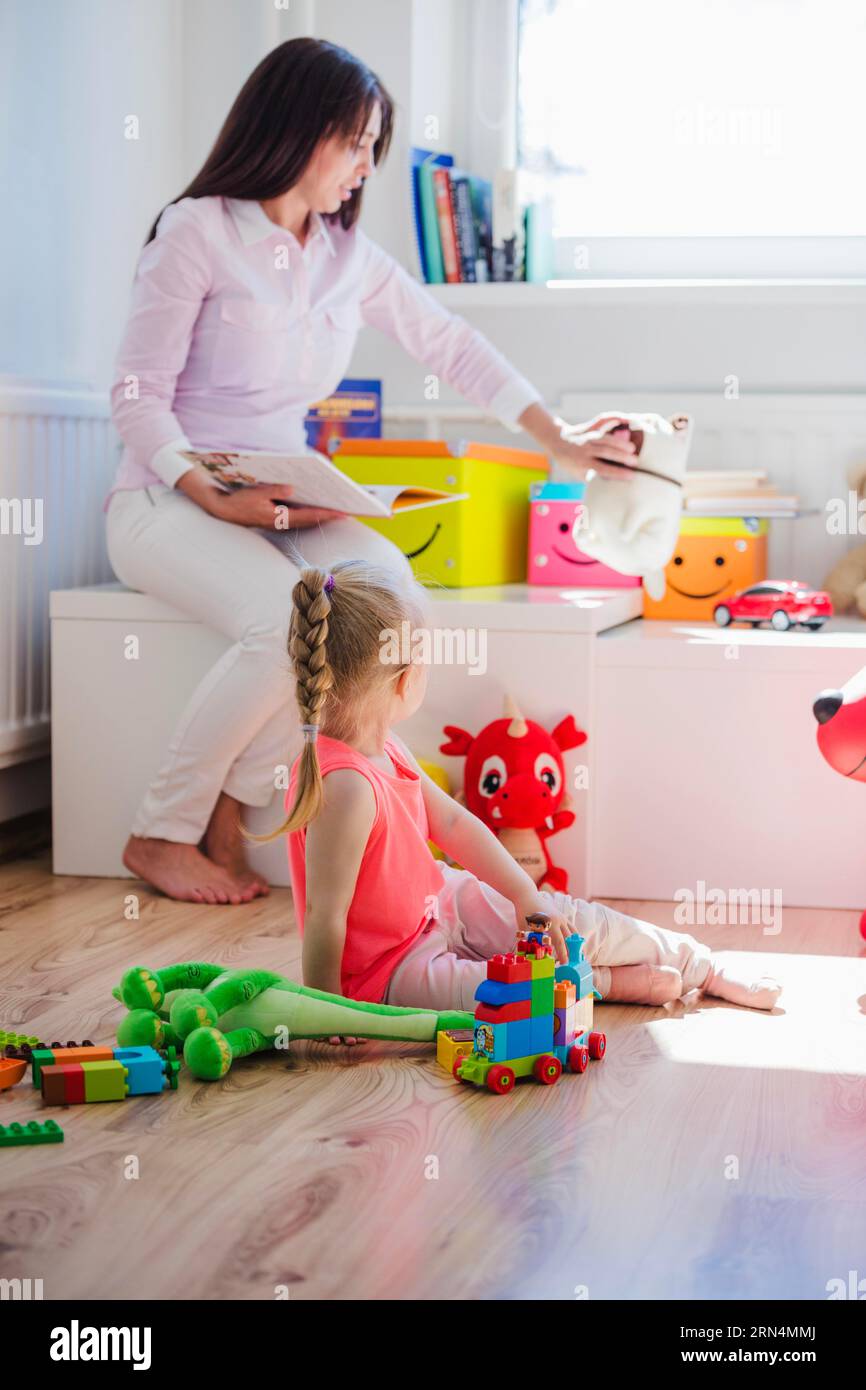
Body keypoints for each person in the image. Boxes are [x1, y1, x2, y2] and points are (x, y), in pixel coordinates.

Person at [106, 36, 639, 906]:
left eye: (372, 148)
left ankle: (237, 803)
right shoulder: (198, 229)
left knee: (387, 607)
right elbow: (135, 397)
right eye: (355, 142)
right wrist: (210, 493)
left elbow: (451, 344)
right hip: (166, 495)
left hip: (283, 493)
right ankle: (159, 832)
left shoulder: (345, 257)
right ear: (296, 128)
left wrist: (562, 438)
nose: (364, 166)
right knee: (284, 622)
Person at [280, 560, 782, 1043]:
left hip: (440, 904)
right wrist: (328, 1011)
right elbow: (326, 916)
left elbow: (453, 824)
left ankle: (701, 964)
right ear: (405, 679)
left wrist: (525, 896)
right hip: (388, 971)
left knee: (564, 917)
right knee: (497, 998)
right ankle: (606, 983)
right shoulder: (345, 787)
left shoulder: (388, 746)